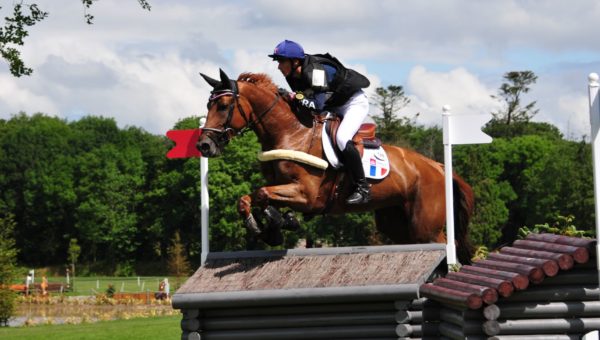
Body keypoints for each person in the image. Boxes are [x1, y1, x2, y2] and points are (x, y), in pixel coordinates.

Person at [269, 40, 371, 204]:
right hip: (332, 106)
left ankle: (362, 188)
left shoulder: (315, 71)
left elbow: (316, 106)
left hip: (352, 104)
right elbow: (305, 101)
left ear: (295, 62)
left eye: (281, 61)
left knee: (342, 138)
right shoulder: (293, 75)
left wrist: (294, 97)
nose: (278, 66)